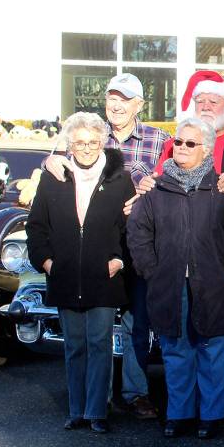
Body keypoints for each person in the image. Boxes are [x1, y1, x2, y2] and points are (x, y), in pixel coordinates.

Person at [143, 70, 224, 429]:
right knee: (184, 335)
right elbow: (156, 189)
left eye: (212, 101)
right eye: (199, 100)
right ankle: (192, 408)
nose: (205, 106)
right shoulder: (178, 143)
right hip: (180, 263)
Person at [44, 73, 169, 421]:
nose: (116, 105)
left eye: (124, 99)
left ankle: (135, 392)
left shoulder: (160, 140)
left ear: (139, 105)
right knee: (94, 329)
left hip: (138, 243)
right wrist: (49, 161)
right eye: (112, 98)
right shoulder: (91, 133)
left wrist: (149, 195)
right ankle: (98, 398)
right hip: (98, 247)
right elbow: (56, 167)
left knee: (136, 321)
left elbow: (173, 179)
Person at [127, 118, 224, 439]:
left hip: (214, 285)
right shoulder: (156, 189)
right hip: (170, 285)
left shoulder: (223, 190)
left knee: (213, 351)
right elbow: (138, 234)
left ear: (206, 149)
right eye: (178, 142)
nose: (181, 148)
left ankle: (212, 416)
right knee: (176, 351)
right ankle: (180, 414)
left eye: (190, 143)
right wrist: (151, 271)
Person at [27, 112, 135, 434]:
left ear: (102, 142)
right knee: (74, 345)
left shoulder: (119, 179)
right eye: (79, 142)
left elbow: (133, 228)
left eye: (92, 142)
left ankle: (97, 411)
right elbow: (36, 227)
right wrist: (47, 263)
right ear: (69, 145)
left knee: (100, 343)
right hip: (64, 275)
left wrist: (119, 260)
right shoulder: (53, 178)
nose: (86, 148)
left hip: (104, 277)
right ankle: (77, 410)